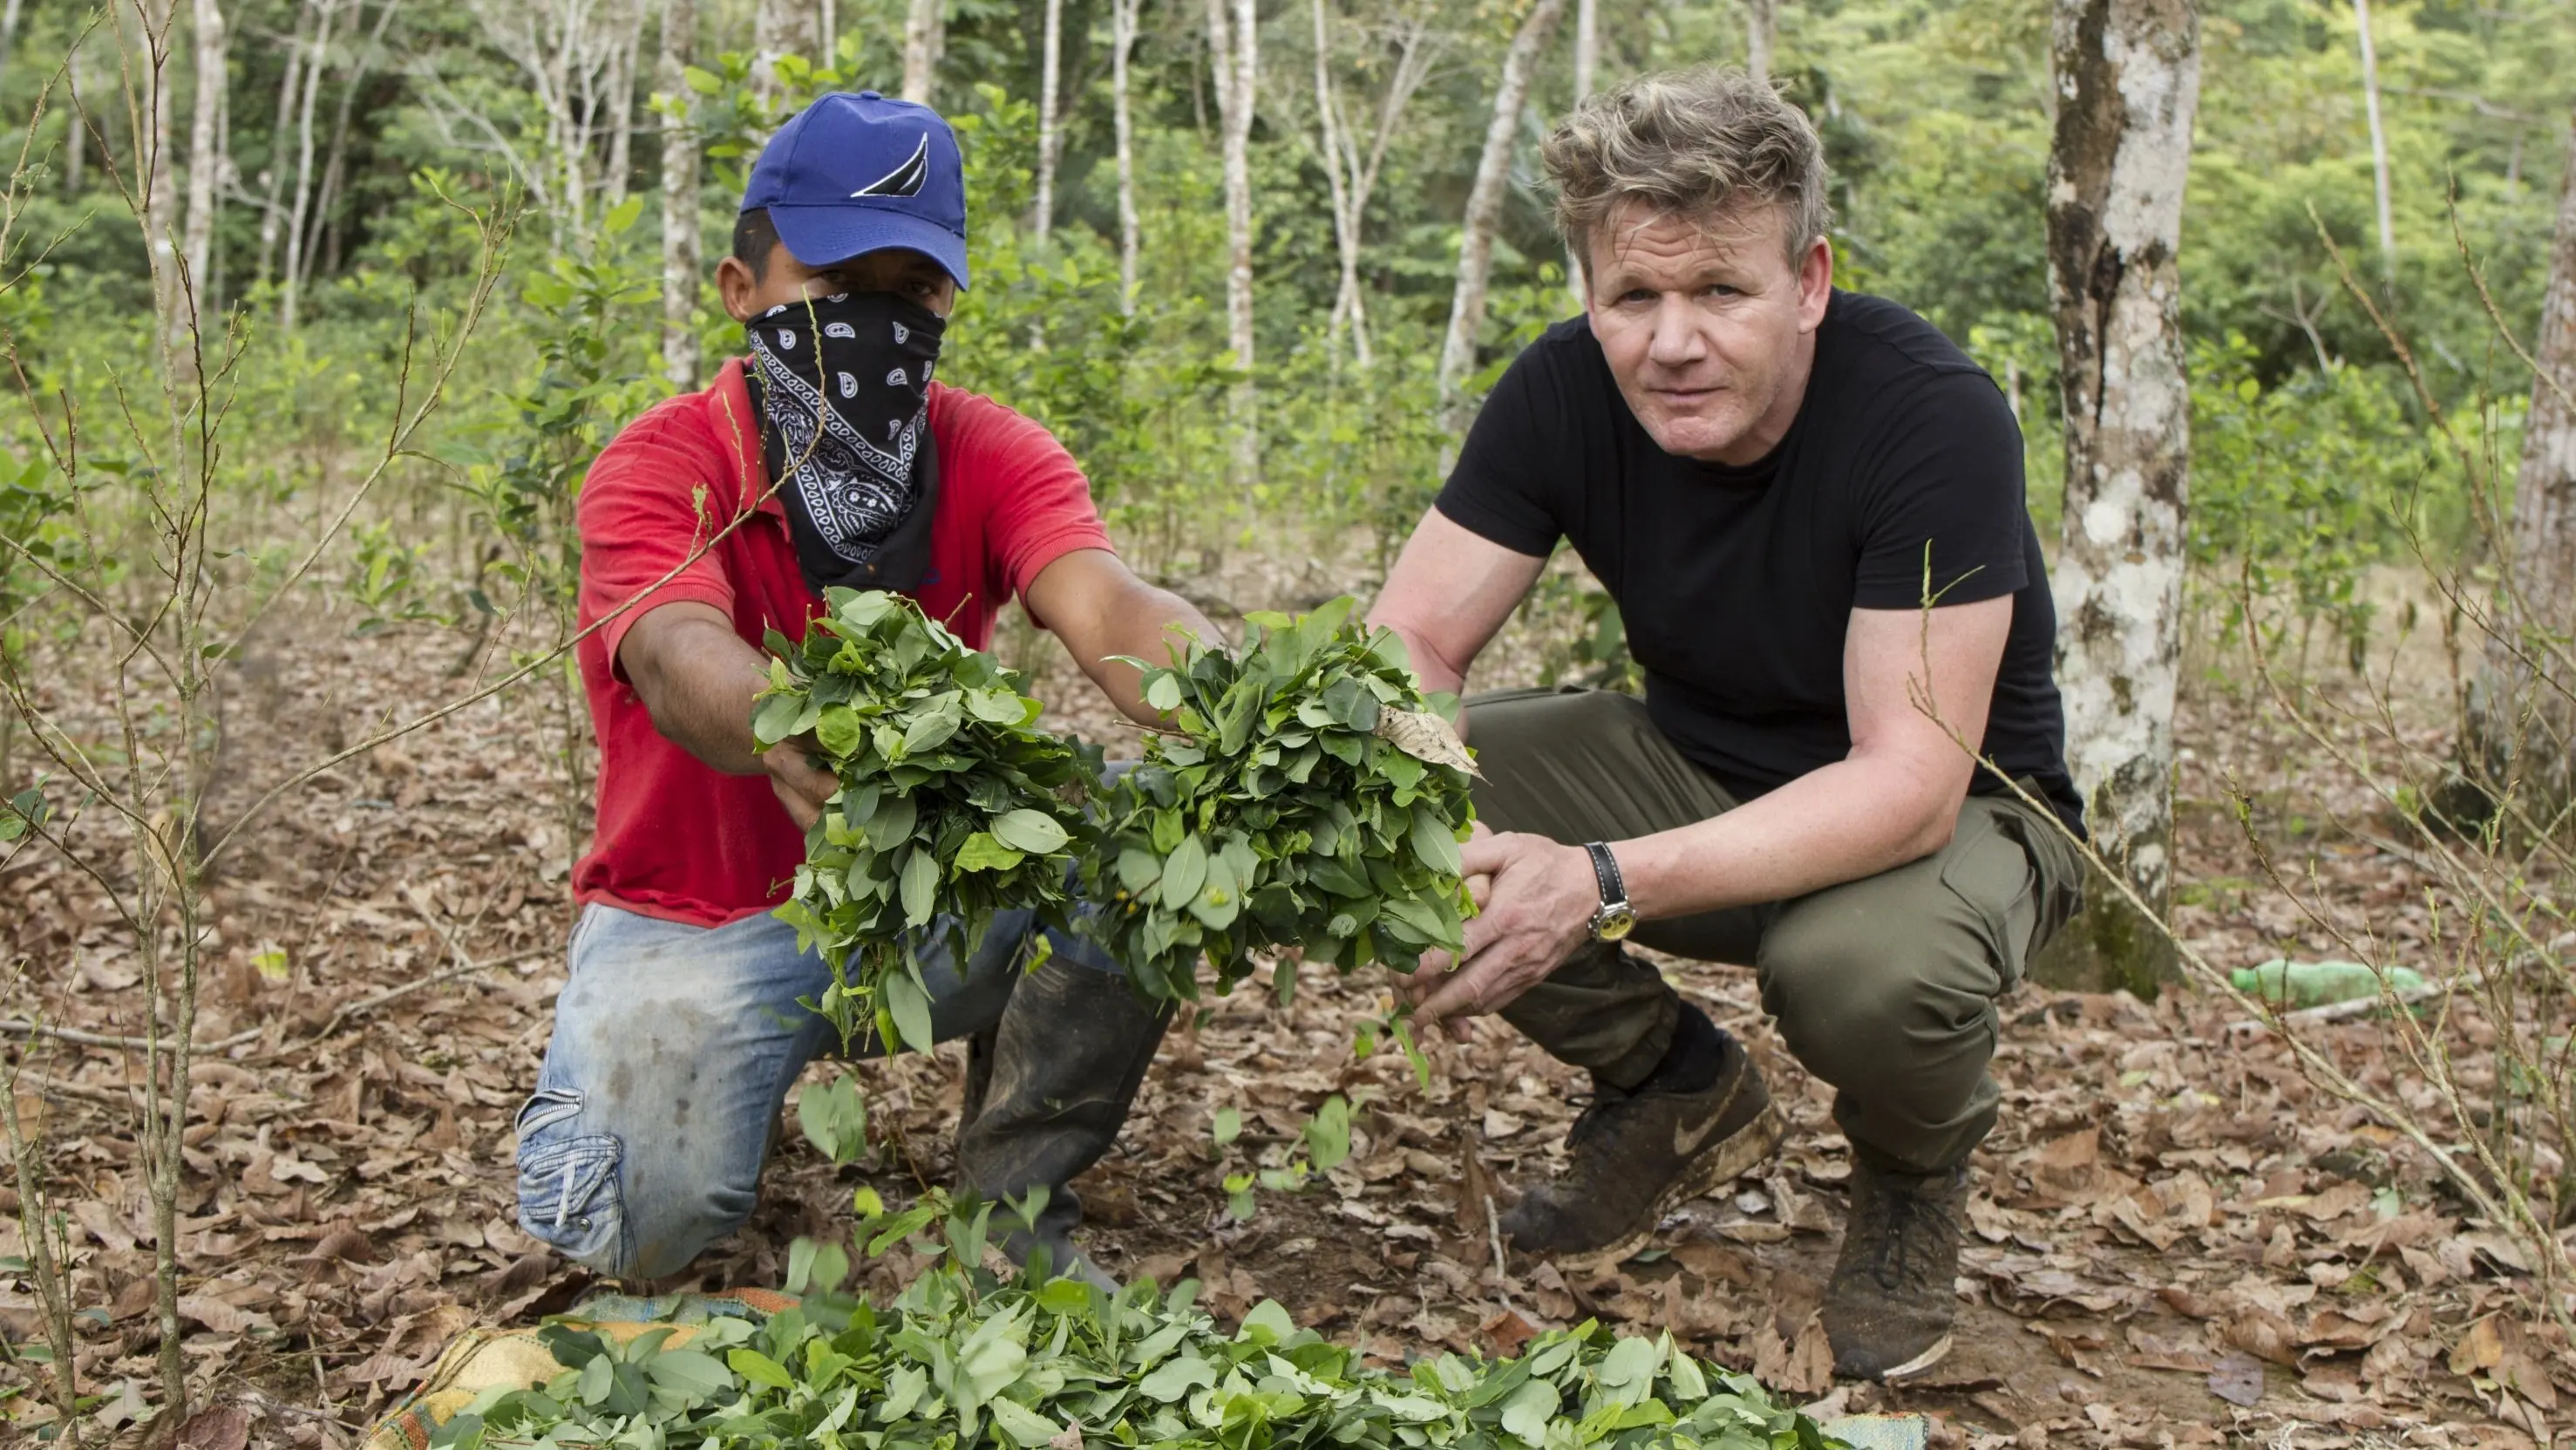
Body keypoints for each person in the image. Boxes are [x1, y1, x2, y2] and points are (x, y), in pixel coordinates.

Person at [1367, 68, 2086, 1383]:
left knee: (1858, 974)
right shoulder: (1562, 390)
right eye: (1632, 296)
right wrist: (1421, 792)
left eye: (1720, 292)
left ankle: (1912, 1177)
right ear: (1590, 292)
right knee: (1357, 793)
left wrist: (1590, 883)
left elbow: (1910, 781)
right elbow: (1409, 636)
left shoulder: (1928, 416)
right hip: (1692, 760)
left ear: (1808, 281)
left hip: (1955, 813)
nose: (1670, 341)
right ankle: (1669, 1082)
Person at [512, 91, 1217, 1287]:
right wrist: (789, 727)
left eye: (910, 296)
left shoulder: (988, 449)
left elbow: (1100, 599)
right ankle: (693, 1099)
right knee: (634, 1227)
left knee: (1143, 839)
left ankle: (1011, 1201)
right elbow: (675, 649)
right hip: (702, 915)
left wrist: (1222, 682)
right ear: (743, 292)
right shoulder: (665, 461)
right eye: (836, 293)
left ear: (945, 303)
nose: (875, 328)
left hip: (926, 894)